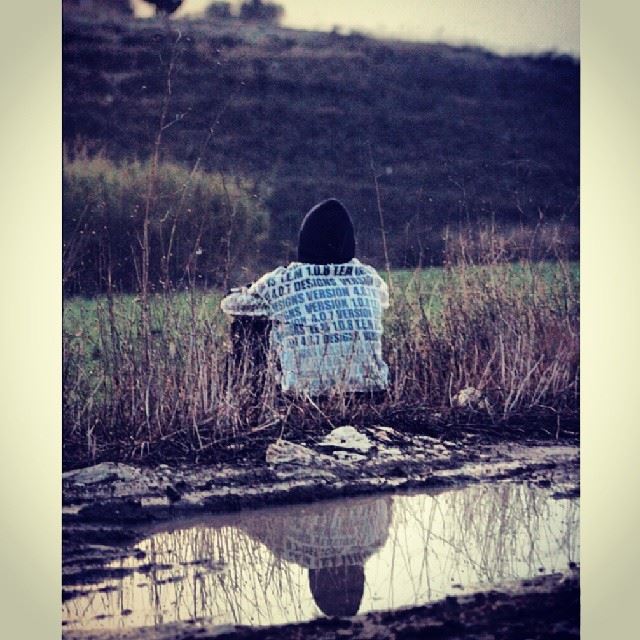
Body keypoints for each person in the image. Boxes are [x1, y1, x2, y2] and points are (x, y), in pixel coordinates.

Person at [220, 198, 389, 396]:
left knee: (248, 322)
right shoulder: (369, 278)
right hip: (372, 392)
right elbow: (383, 301)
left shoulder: (283, 280)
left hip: (305, 397)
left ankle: (249, 396)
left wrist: (248, 290)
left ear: (306, 239)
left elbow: (230, 305)